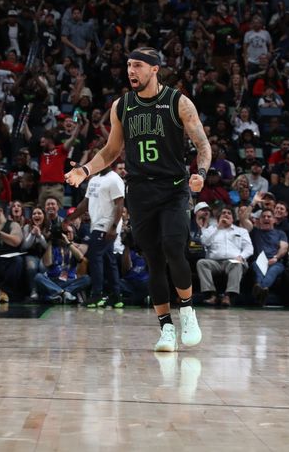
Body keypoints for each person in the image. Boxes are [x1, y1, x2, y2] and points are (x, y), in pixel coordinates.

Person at [65, 47, 211, 352]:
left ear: (154, 69)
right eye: (129, 65)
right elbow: (111, 150)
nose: (131, 71)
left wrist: (202, 173)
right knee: (155, 262)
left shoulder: (178, 102)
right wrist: (85, 170)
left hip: (173, 189)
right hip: (141, 191)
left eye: (138, 66)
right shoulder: (123, 106)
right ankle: (166, 329)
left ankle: (187, 309)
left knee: (174, 248)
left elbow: (202, 144)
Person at [68, 162, 125, 307]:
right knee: (109, 259)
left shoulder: (114, 179)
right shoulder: (94, 180)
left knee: (95, 256)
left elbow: (120, 204)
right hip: (96, 224)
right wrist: (70, 218)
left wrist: (113, 227)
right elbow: (85, 203)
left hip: (107, 225)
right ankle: (116, 296)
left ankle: (97, 294)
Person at [196, 207, 254, 307]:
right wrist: (218, 227)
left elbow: (249, 248)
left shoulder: (241, 231)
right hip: (214, 262)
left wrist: (241, 256)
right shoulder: (211, 229)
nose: (226, 214)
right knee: (201, 263)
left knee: (237, 264)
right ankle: (211, 295)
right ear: (218, 218)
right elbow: (204, 242)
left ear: (232, 218)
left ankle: (228, 296)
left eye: (229, 213)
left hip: (233, 261)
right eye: (223, 213)